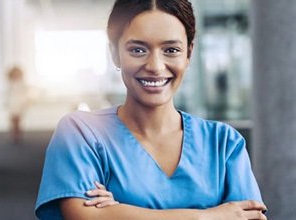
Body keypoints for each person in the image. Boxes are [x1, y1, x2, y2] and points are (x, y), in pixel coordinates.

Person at [35, 0, 267, 219]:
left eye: (171, 50)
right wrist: (206, 215)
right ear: (115, 54)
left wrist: (119, 212)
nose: (155, 66)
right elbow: (82, 216)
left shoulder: (223, 143)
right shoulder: (81, 133)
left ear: (189, 53)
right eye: (137, 50)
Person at [6, 66, 28, 144]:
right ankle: (16, 135)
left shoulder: (16, 83)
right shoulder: (15, 83)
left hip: (17, 104)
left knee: (16, 121)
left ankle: (16, 135)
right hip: (15, 104)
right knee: (15, 121)